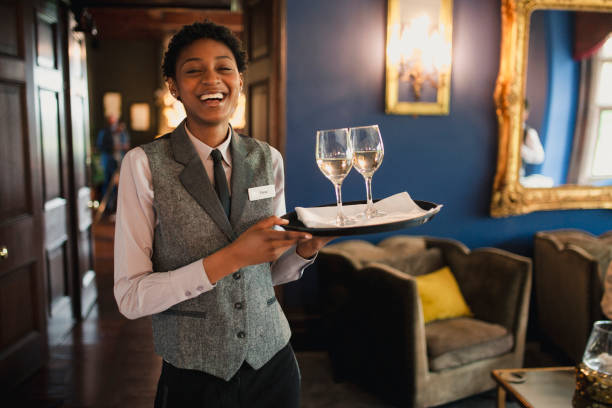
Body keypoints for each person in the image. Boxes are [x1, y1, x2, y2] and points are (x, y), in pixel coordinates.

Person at [113, 21, 333, 408]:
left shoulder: (268, 158)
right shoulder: (144, 165)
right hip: (194, 378)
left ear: (240, 81)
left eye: (224, 67)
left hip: (274, 366)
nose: (211, 79)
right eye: (194, 70)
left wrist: (305, 250)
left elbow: (265, 274)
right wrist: (230, 258)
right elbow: (131, 297)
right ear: (173, 86)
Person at [96, 115, 130, 198]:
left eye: (115, 122)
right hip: (108, 160)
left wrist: (123, 146)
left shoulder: (122, 132)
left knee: (119, 183)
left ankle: (116, 204)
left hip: (120, 160)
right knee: (108, 183)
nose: (113, 124)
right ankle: (107, 206)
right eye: (111, 122)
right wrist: (113, 147)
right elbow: (100, 146)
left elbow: (127, 144)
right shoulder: (104, 132)